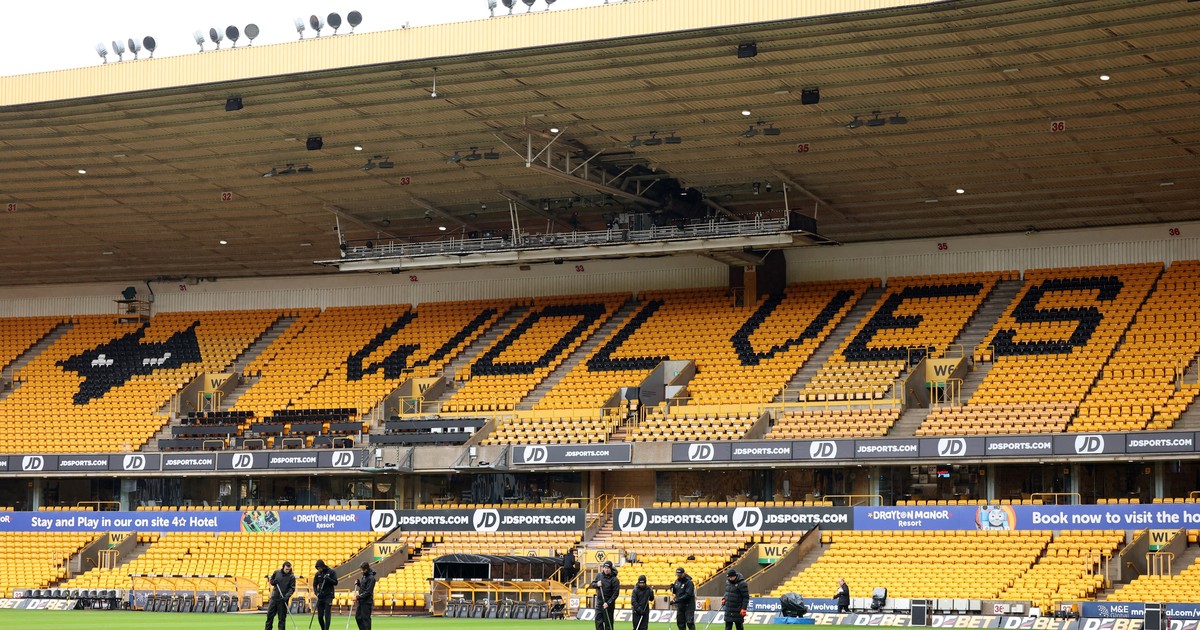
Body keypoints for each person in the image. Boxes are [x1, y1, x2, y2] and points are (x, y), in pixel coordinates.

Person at [265, 561, 295, 630]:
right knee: (269, 616)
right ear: (283, 567)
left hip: (283, 600)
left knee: (282, 618)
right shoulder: (276, 573)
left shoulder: (291, 576)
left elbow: (292, 588)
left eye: (289, 569)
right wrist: (273, 582)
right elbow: (271, 580)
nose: (287, 571)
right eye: (286, 569)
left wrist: (286, 596)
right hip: (274, 598)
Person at [591, 560, 619, 630]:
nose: (606, 570)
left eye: (608, 568)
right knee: (598, 622)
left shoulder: (614, 579)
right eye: (605, 568)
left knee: (608, 623)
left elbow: (616, 593)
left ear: (610, 569)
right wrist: (597, 584)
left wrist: (608, 603)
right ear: (603, 568)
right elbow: (593, 584)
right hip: (600, 603)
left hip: (609, 604)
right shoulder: (599, 575)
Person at [312, 559, 337, 630]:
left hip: (329, 596)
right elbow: (314, 585)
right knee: (320, 616)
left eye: (320, 568)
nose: (319, 569)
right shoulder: (317, 574)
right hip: (321, 596)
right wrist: (317, 593)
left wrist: (328, 579)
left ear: (323, 566)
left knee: (327, 615)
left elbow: (335, 582)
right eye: (317, 568)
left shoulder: (331, 572)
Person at [354, 561, 376, 630]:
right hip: (361, 601)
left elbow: (368, 592)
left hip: (367, 602)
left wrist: (357, 597)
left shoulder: (371, 578)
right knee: (358, 617)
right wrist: (359, 583)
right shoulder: (364, 576)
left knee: (366, 620)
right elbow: (363, 588)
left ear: (366, 569)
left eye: (363, 570)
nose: (361, 571)